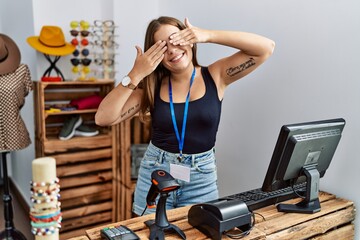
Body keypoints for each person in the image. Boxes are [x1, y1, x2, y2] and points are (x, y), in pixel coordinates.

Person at [95, 16, 275, 215]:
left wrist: (206, 35)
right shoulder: (151, 88)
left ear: (189, 39)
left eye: (176, 39)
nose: (172, 50)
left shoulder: (215, 75)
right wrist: (136, 74)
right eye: (162, 47)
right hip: (156, 173)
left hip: (202, 179)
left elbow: (266, 47)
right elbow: (103, 118)